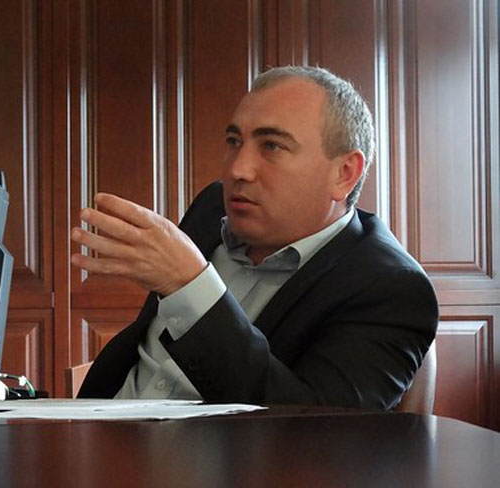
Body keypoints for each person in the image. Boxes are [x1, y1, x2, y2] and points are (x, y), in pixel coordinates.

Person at [70, 66, 438, 409]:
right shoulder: (213, 207)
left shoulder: (391, 289)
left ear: (344, 173)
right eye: (234, 141)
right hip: (95, 428)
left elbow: (318, 432)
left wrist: (192, 287)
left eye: (272, 146)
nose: (237, 169)